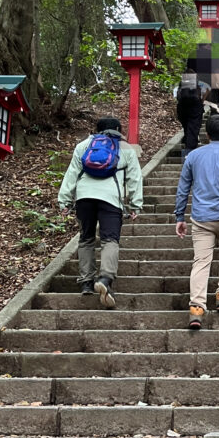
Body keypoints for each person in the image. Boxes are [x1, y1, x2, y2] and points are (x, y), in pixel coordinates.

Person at [58, 116, 143, 309]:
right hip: (111, 199)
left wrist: (64, 200)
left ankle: (86, 282)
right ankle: (105, 279)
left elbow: (72, 173)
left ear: (97, 130)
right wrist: (135, 205)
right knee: (109, 240)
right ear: (119, 130)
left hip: (84, 198)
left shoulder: (84, 145)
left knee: (86, 238)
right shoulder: (126, 148)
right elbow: (134, 179)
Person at [174, 113, 219, 331]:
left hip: (201, 217)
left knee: (201, 261)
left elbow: (183, 188)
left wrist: (179, 216)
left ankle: (197, 308)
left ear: (207, 134)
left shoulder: (193, 156)